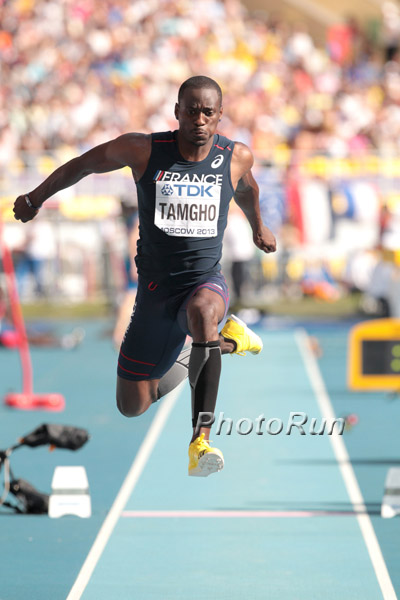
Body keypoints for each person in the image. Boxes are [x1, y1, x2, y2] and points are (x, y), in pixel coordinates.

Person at [13, 76, 276, 477]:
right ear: (177, 112)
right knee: (133, 404)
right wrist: (35, 198)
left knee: (204, 312)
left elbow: (246, 189)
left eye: (208, 112)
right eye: (191, 111)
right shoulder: (144, 150)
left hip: (203, 283)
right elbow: (83, 165)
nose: (199, 120)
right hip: (154, 293)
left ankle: (200, 440)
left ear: (220, 115)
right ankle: (228, 342)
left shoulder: (235, 156)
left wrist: (259, 226)